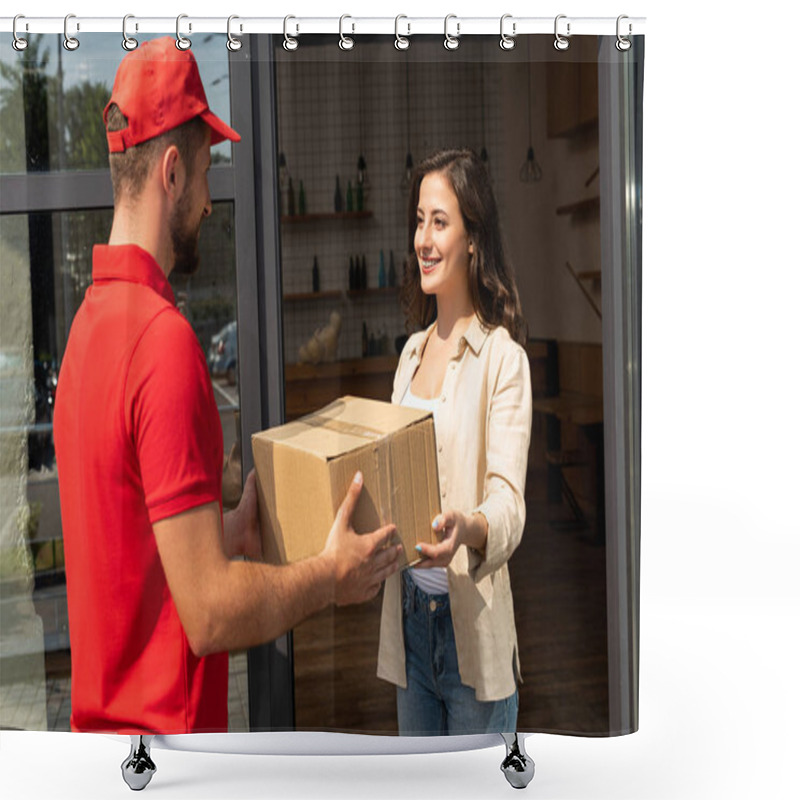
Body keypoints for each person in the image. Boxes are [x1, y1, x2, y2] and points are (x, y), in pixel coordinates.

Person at [53, 37, 401, 736]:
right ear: (173, 173)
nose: (213, 203)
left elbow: (138, 549)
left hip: (105, 749)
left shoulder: (88, 328)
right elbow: (208, 613)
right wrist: (330, 576)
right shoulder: (163, 342)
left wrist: (228, 532)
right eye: (210, 172)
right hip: (169, 750)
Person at [377, 149, 532, 735]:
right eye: (419, 220)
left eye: (439, 221)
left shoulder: (503, 361)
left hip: (473, 628)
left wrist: (466, 528)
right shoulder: (410, 355)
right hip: (411, 622)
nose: (423, 238)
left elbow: (510, 504)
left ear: (472, 238)